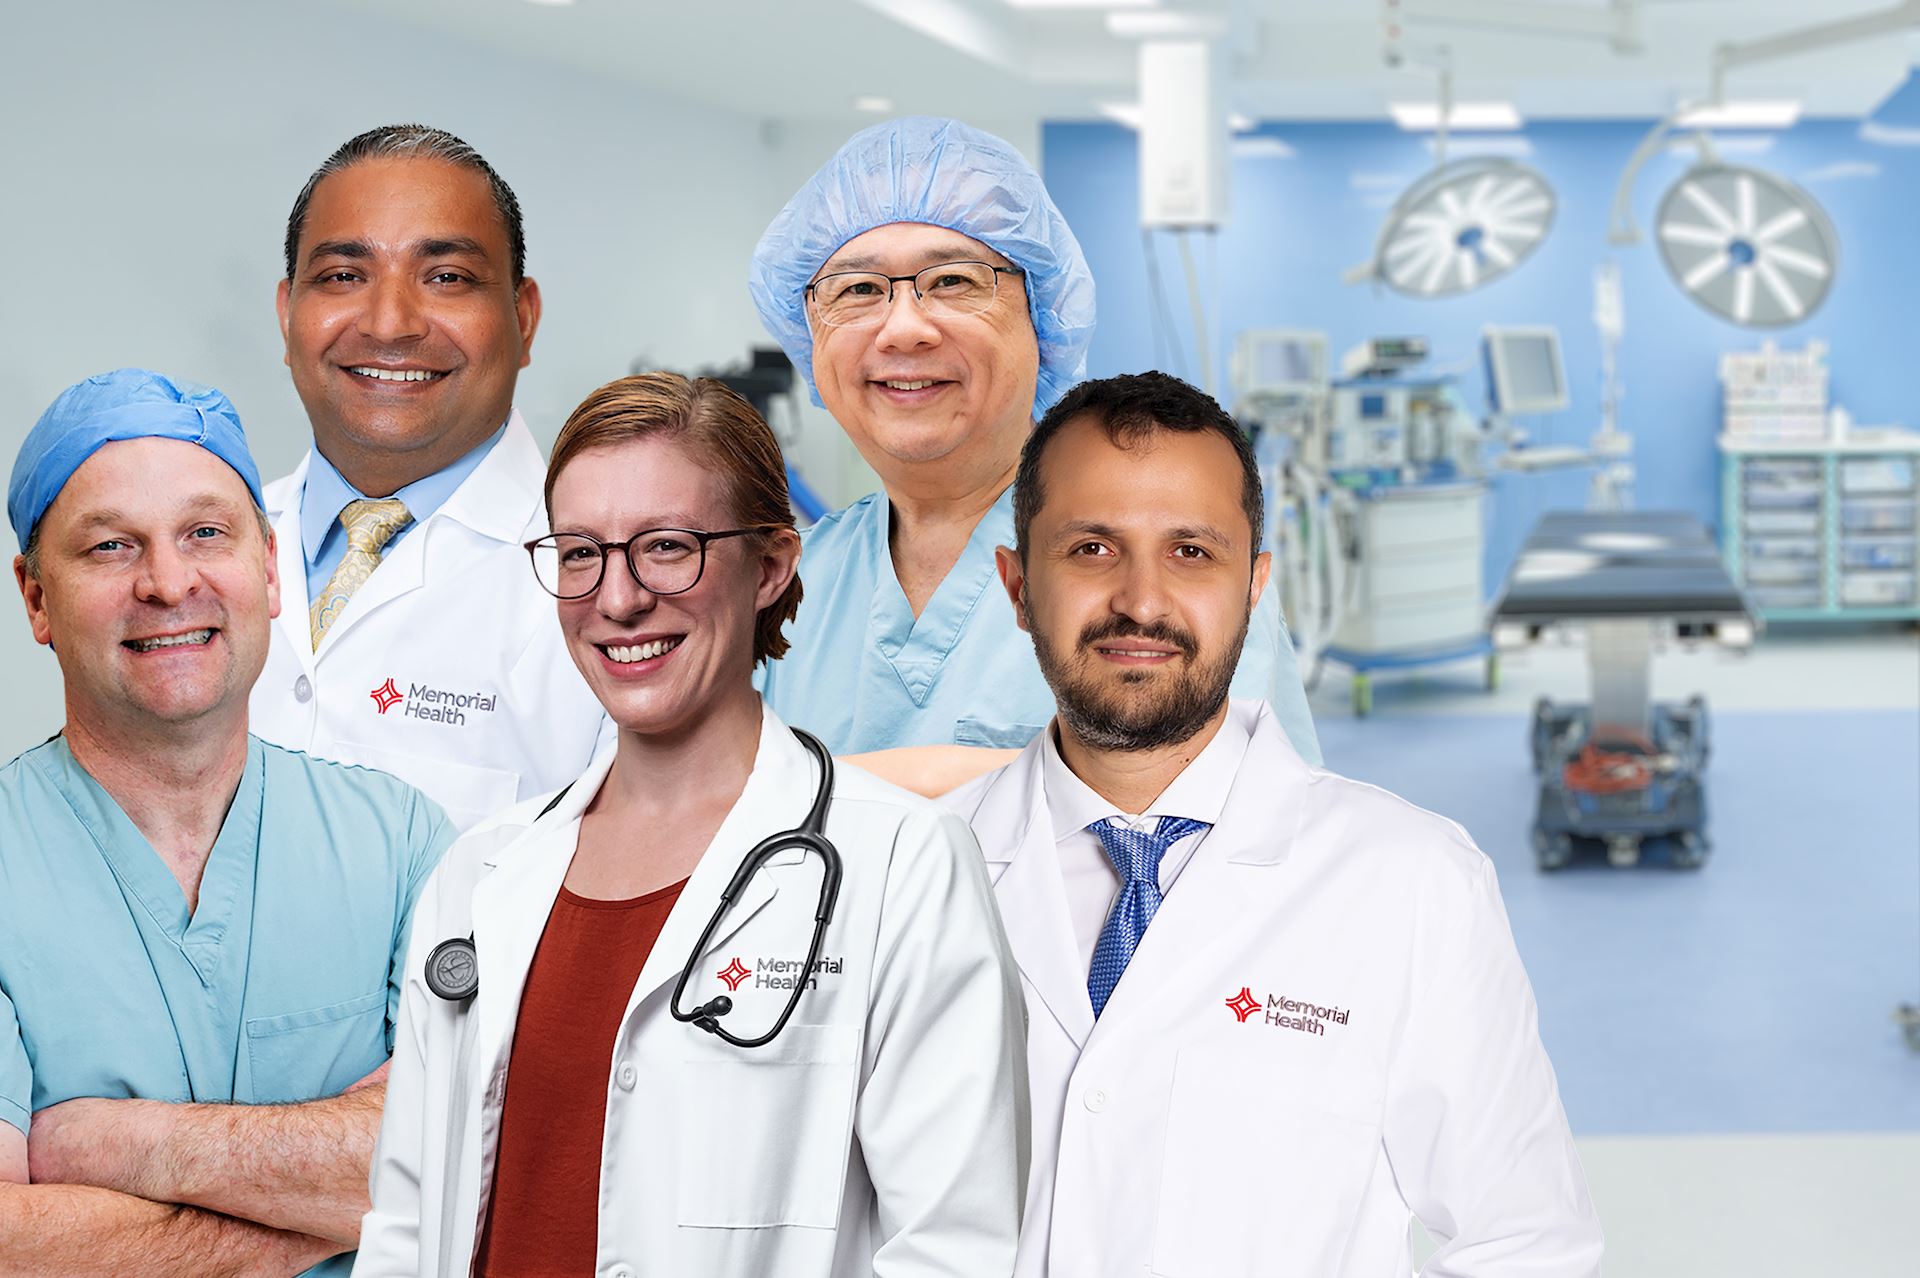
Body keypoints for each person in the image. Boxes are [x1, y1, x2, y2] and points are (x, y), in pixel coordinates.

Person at [356, 374, 1027, 1278]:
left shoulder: (901, 867)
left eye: (667, 547)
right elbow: (405, 1228)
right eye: (580, 552)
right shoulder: (480, 875)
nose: (619, 598)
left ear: (773, 567)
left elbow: (955, 1250)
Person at [946, 371, 1602, 1277]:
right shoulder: (911, 872)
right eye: (1092, 549)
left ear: (1254, 587)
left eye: (1191, 552)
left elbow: (1525, 1242)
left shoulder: (1412, 883)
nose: (1142, 600)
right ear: (1018, 587)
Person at [1, 369, 455, 1276]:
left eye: (205, 533)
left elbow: (472, 1156)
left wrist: (113, 1144)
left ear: (270, 568)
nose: (168, 584)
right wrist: (342, 1194)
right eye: (110, 547)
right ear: (37, 598)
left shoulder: (402, 844)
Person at [748, 116, 1319, 770]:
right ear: (811, 339)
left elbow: (1239, 823)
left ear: (1043, 318)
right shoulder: (789, 588)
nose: (903, 329)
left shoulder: (1178, 559)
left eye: (954, 281)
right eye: (857, 290)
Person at [254, 123, 606, 830]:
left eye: (446, 277)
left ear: (523, 317)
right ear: (288, 315)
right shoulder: (207, 548)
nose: (389, 324)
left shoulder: (607, 582)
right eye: (344, 276)